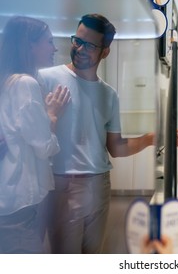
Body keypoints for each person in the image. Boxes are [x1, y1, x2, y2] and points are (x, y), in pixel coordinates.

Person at [39, 13, 154, 254]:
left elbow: (116, 147)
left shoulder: (109, 94)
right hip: (62, 183)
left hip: (100, 183)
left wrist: (152, 138)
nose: (80, 49)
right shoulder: (46, 79)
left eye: (90, 45)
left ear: (105, 51)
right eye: (77, 40)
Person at [0, 16, 69, 253]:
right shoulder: (25, 84)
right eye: (49, 42)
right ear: (29, 44)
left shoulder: (8, 81)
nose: (55, 48)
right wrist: (52, 114)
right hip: (22, 199)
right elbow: (45, 147)